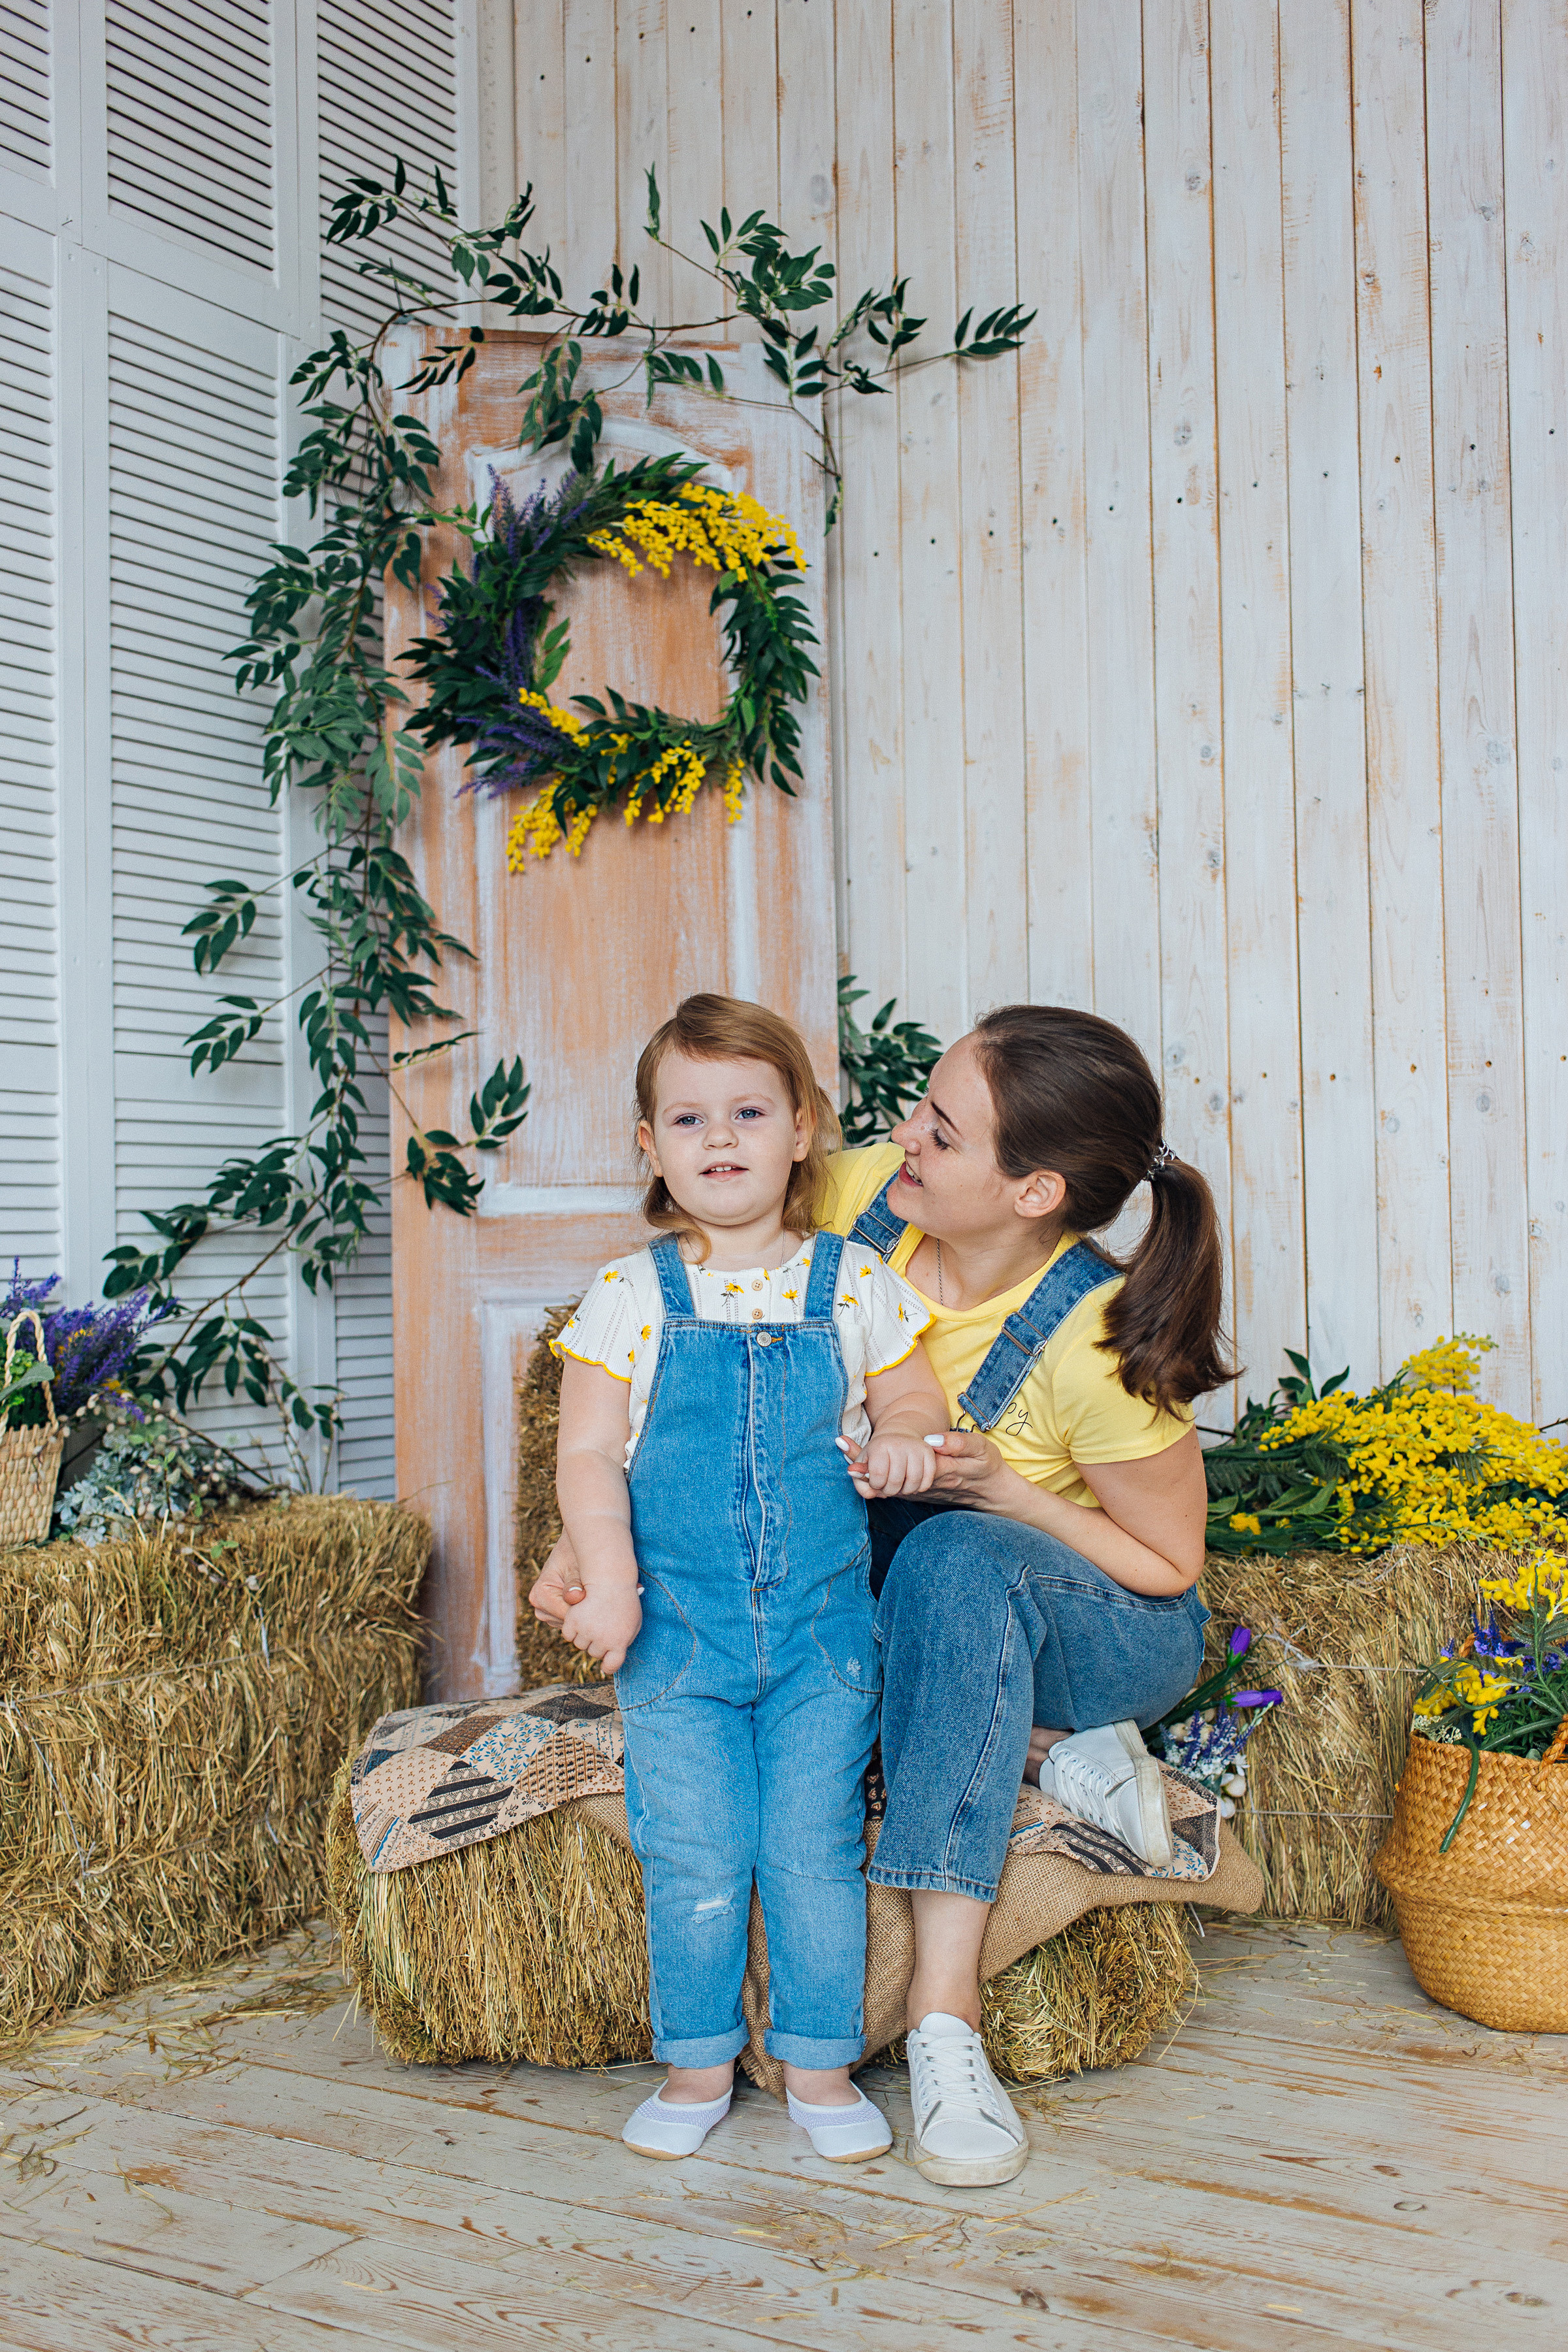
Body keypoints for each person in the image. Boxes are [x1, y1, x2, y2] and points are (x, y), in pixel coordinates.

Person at [536, 1001, 1226, 2189]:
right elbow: (640, 1414)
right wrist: (589, 1539)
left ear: (1033, 1193)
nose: (904, 1135)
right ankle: (1039, 1750)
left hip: (1105, 1625)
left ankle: (947, 2022)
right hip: (879, 1607)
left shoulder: (1097, 1341)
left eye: (942, 1130)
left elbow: (1169, 1570)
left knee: (951, 1548)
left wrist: (1005, 1486)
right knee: (878, 1567)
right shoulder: (856, 1192)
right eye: (919, 1105)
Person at [551, 994, 947, 2166]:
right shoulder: (630, 1296)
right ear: (650, 1147)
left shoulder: (853, 1280)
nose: (718, 1138)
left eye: (747, 1111)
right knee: (695, 1845)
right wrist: (610, 1586)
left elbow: (913, 1396)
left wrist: (904, 1440)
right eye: (687, 1117)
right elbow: (585, 1457)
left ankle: (818, 2061)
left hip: (825, 1635)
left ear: (801, 1130)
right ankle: (698, 2062)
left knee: (813, 1844)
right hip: (676, 1631)